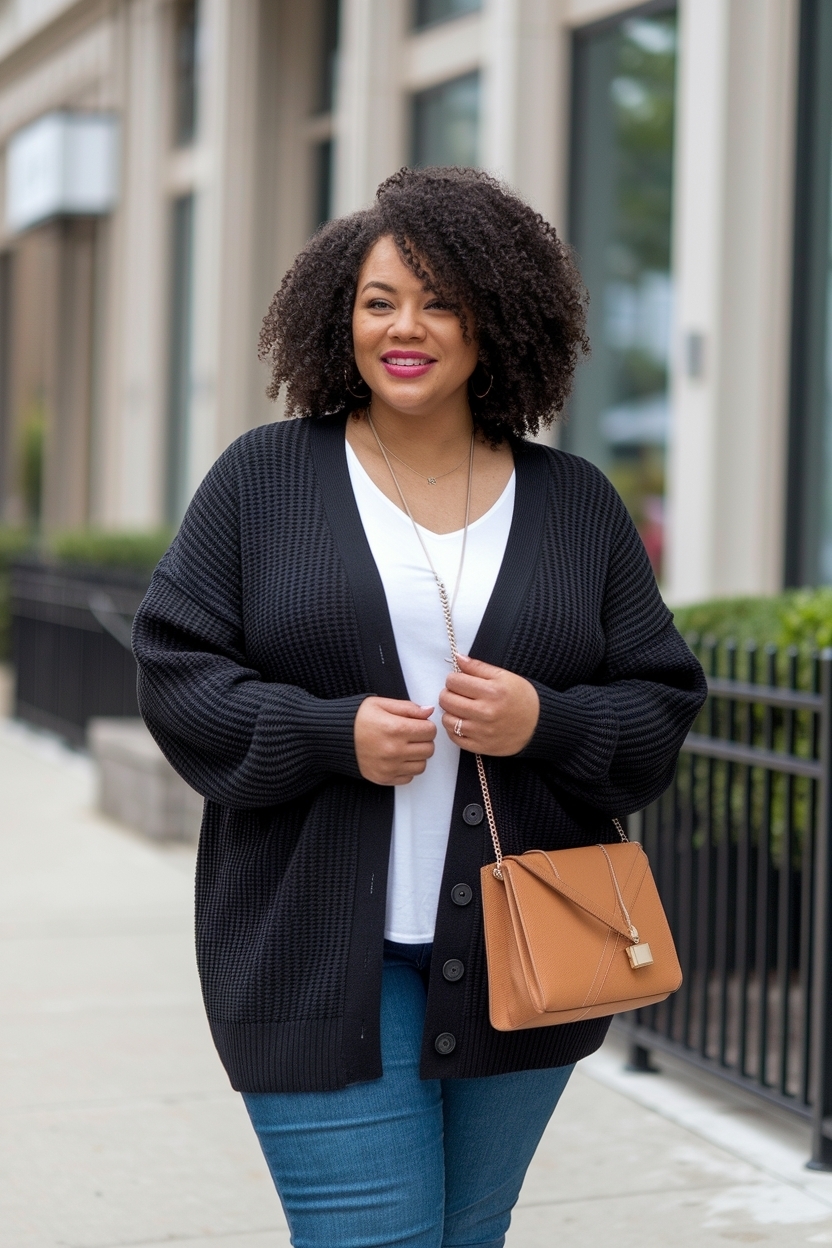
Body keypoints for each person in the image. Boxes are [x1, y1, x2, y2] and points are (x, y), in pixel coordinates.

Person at [132, 166, 707, 1248]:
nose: (408, 327)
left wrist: (548, 722)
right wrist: (326, 732)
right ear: (336, 317)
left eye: (442, 299)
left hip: (527, 964)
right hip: (313, 955)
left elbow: (659, 701)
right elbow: (175, 670)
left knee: (467, 1234)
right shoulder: (263, 482)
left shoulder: (574, 501)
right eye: (379, 300)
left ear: (496, 320)